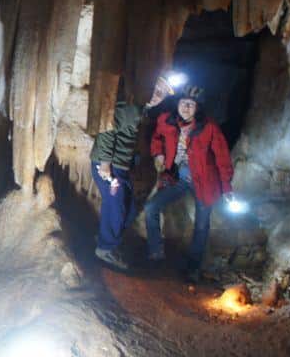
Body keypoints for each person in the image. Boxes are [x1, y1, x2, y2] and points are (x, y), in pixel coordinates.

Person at [145, 86, 234, 283]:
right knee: (151, 207)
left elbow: (222, 157)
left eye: (191, 104)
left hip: (203, 181)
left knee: (201, 225)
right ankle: (155, 252)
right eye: (183, 102)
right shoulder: (166, 120)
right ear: (177, 104)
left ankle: (193, 267)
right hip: (176, 178)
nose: (186, 107)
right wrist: (158, 153)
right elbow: (157, 138)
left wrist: (226, 187)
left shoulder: (209, 128)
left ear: (197, 108)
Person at [89, 77, 173, 270]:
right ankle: (105, 248)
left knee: (131, 209)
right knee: (117, 207)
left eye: (161, 94)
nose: (156, 95)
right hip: (108, 166)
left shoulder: (140, 110)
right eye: (155, 89)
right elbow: (108, 129)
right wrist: (105, 163)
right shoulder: (131, 108)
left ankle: (106, 237)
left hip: (121, 168)